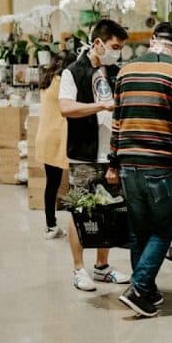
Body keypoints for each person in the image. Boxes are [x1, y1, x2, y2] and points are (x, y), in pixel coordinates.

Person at [107, 22, 172, 317]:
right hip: (160, 163)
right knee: (162, 230)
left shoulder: (125, 70)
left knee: (139, 230)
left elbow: (116, 122)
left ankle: (147, 291)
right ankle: (139, 285)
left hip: (128, 162)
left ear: (152, 41)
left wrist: (113, 162)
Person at [59, 19, 131, 291]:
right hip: (84, 154)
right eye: (114, 46)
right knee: (81, 211)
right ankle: (79, 269)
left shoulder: (116, 72)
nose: (117, 51)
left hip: (112, 154)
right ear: (98, 43)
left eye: (121, 47)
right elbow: (65, 108)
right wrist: (99, 105)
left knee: (109, 210)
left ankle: (102, 266)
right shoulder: (73, 72)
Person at [35, 52, 70, 239]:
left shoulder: (47, 80)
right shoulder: (61, 81)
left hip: (45, 135)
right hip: (58, 136)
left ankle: (51, 225)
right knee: (57, 182)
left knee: (52, 183)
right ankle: (52, 225)